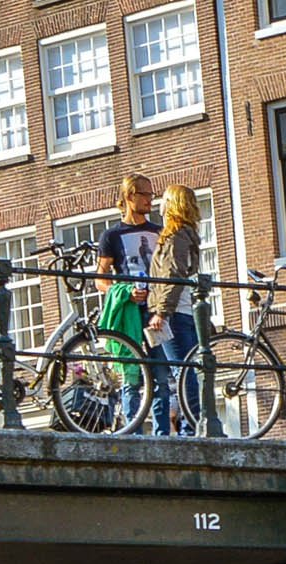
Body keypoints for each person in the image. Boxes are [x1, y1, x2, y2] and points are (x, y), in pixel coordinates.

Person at [97, 174, 168, 434]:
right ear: (130, 197)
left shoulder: (159, 231)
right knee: (131, 377)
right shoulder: (111, 236)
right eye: (145, 194)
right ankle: (133, 434)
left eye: (152, 194)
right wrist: (125, 292)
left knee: (161, 376)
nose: (151, 199)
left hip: (156, 310)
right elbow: (100, 280)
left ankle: (163, 436)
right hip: (130, 312)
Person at [147, 184, 204, 435]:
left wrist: (162, 312)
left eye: (163, 200)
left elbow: (173, 275)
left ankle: (192, 425)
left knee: (182, 371)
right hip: (183, 311)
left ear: (172, 205)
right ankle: (191, 423)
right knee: (182, 371)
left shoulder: (176, 235)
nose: (159, 205)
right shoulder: (186, 233)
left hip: (175, 314)